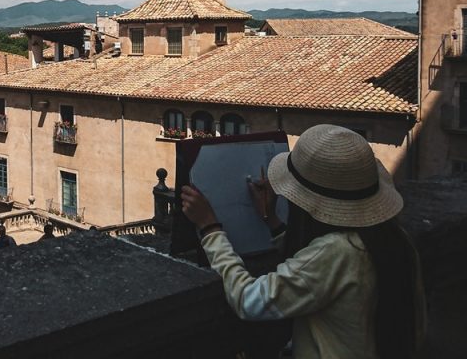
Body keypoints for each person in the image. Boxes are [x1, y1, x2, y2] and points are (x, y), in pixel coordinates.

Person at [180, 124, 425, 359]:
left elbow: (248, 300)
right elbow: (314, 271)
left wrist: (210, 229)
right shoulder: (394, 239)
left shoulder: (336, 253)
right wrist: (273, 222)